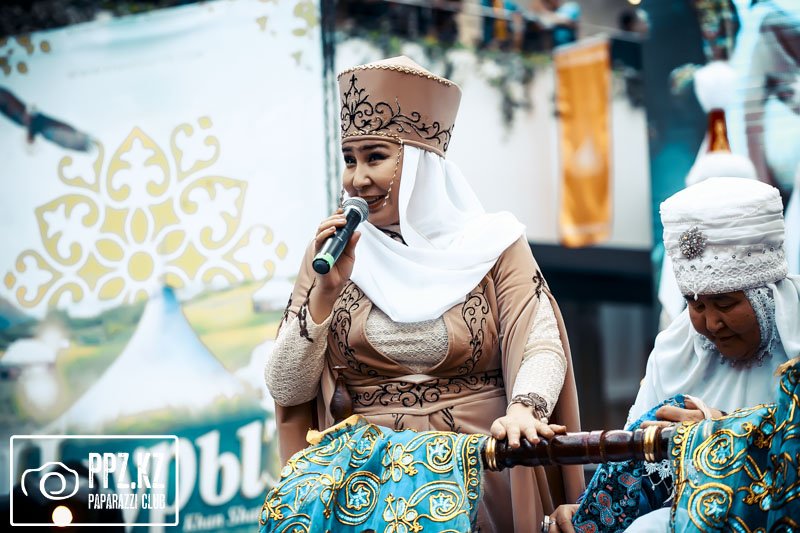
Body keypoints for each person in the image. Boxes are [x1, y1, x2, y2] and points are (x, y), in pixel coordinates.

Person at [263, 55, 584, 531]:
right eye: (349, 160)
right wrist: (323, 296)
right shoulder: (333, 251)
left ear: (419, 164)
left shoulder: (494, 244)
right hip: (366, 491)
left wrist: (524, 409)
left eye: (375, 157)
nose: (357, 179)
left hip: (480, 472)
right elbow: (286, 388)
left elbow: (539, 342)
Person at [546, 176, 800, 532]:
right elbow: (635, 462)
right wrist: (593, 511)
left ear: (766, 295)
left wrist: (720, 432)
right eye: (696, 305)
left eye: (726, 303)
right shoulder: (674, 350)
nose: (711, 323)